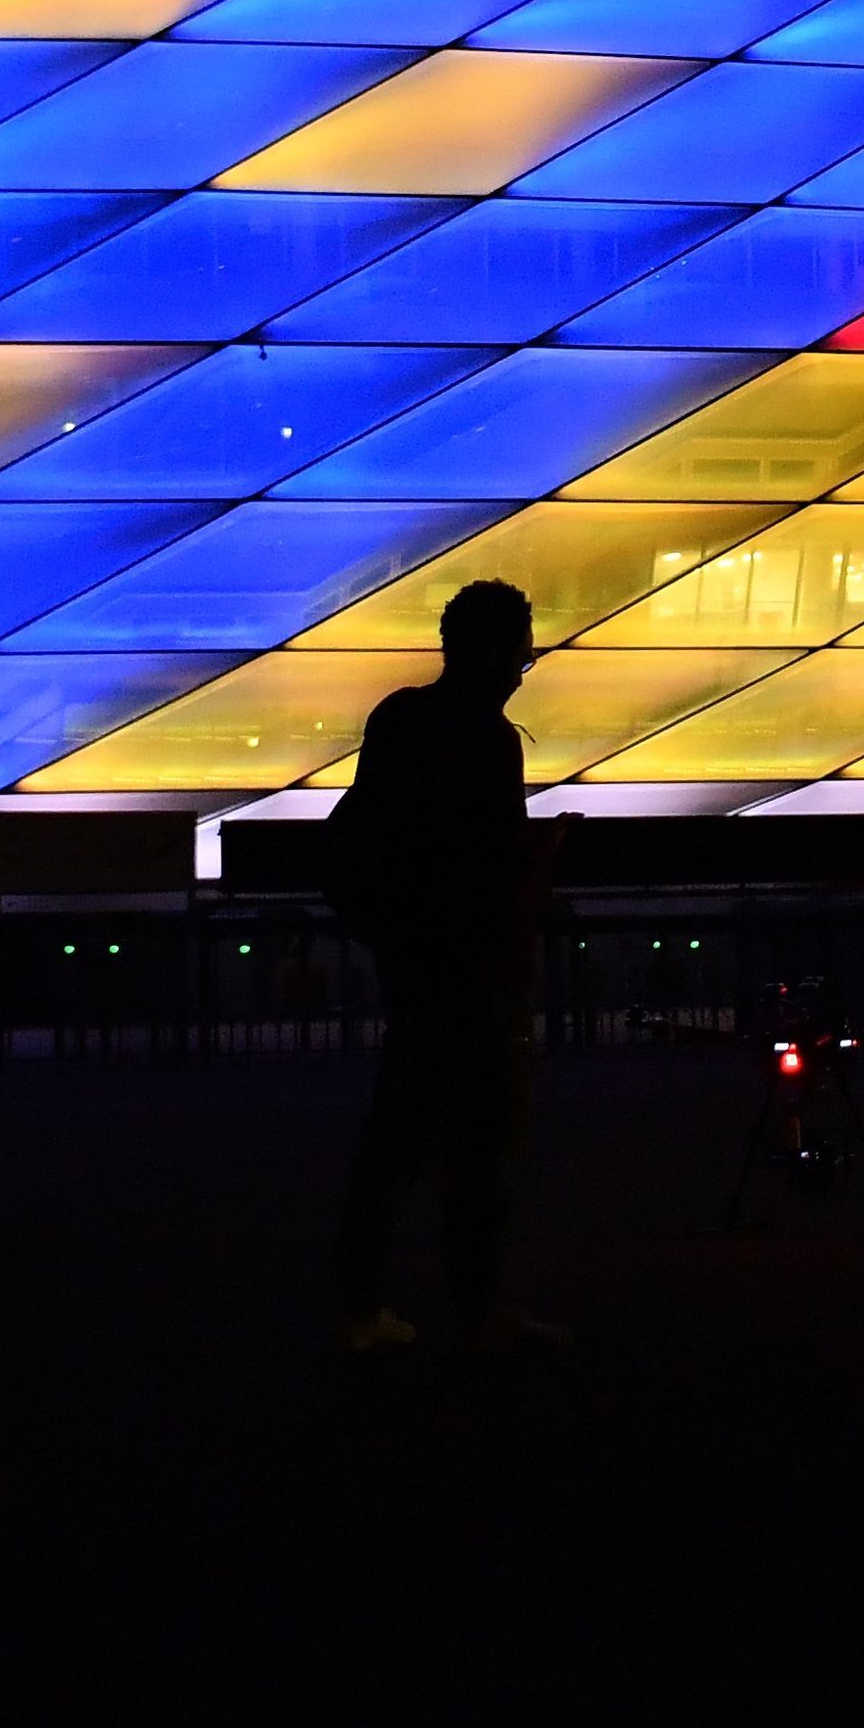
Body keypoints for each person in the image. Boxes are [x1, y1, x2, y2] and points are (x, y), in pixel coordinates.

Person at [326, 580, 566, 1353]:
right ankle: (478, 1304)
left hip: (417, 961)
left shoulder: (399, 719)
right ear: (492, 648)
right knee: (482, 1141)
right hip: (479, 967)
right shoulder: (486, 739)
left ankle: (361, 1305)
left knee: (398, 1137)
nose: (523, 666)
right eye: (519, 648)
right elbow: (490, 860)